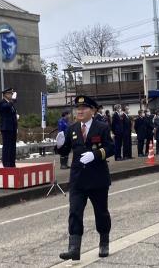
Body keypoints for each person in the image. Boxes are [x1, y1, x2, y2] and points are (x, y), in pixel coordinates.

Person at [56, 95, 114, 260]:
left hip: (97, 178)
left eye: (84, 108)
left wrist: (95, 155)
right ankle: (74, 248)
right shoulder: (72, 128)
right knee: (74, 212)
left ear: (93, 110)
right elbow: (65, 151)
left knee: (101, 213)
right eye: (78, 108)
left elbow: (111, 148)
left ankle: (104, 242)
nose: (80, 111)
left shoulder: (101, 127)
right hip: (78, 179)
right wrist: (59, 145)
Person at [0, 87, 18, 168]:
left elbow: (11, 112)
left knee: (13, 146)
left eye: (12, 93)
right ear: (5, 94)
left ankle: (12, 163)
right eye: (10, 93)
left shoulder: (11, 104)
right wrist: (13, 101)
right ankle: (6, 164)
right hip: (6, 128)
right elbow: (6, 107)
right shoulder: (2, 102)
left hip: (13, 128)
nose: (11, 95)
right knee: (7, 146)